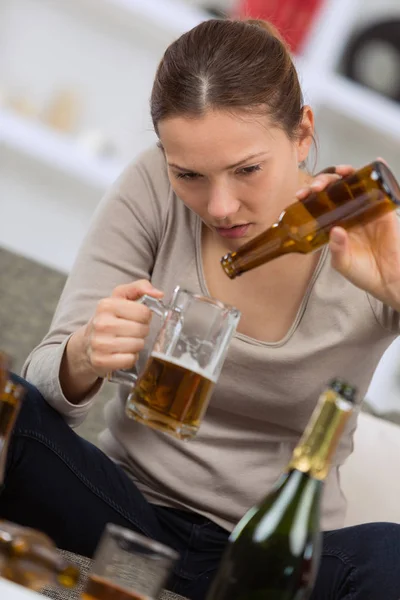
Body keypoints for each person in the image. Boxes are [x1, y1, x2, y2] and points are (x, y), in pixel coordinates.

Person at [1, 18, 400, 600]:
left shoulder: (366, 234)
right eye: (188, 174)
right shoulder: (150, 189)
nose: (219, 206)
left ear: (302, 134)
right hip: (118, 512)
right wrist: (82, 355)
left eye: (247, 170)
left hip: (268, 563)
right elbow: (39, 387)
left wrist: (395, 280)